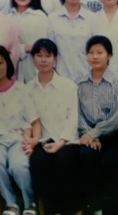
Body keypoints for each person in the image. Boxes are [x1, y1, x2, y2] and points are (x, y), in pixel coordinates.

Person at [0, 45, 41, 215]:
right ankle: (11, 203)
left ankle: (30, 203)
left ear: (8, 64)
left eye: (0, 62)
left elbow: (35, 121)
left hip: (18, 138)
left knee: (19, 166)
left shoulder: (21, 89)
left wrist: (33, 140)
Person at [77, 36, 118, 215]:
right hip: (88, 134)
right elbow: (77, 113)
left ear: (109, 56)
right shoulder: (80, 83)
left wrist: (95, 133)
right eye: (91, 52)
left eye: (99, 52)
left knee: (110, 161)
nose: (95, 56)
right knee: (86, 156)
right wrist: (88, 134)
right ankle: (95, 207)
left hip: (115, 134)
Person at [27, 39, 81, 215]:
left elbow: (72, 118)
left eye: (48, 56)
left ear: (55, 59)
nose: (43, 60)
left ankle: (69, 210)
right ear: (33, 59)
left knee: (63, 161)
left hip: (66, 140)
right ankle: (50, 210)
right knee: (38, 162)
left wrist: (61, 142)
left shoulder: (68, 86)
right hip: (42, 140)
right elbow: (28, 120)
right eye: (39, 55)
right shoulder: (28, 88)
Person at [46, 0, 98, 82]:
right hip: (60, 79)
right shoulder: (52, 18)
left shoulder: (92, 19)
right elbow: (49, 51)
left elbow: (97, 50)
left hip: (87, 79)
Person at [8, 0, 49, 83]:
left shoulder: (40, 17)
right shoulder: (8, 18)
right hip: (12, 72)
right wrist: (24, 48)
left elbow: (43, 46)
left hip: (34, 70)